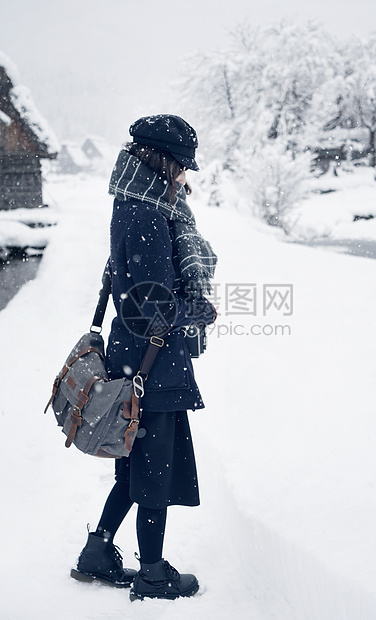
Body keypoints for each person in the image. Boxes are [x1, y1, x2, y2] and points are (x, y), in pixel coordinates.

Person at [70, 114, 217, 601]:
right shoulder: (149, 214)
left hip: (132, 352)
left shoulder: (130, 202)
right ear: (161, 160)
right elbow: (156, 301)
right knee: (153, 469)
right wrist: (201, 307)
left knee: (133, 466)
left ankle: (97, 551)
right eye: (180, 165)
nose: (184, 175)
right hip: (152, 362)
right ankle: (152, 573)